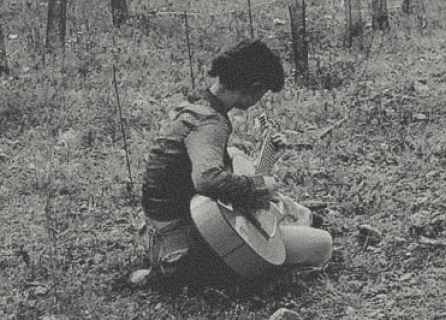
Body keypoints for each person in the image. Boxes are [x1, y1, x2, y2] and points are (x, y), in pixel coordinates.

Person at [139, 39, 333, 284]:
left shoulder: (195, 105)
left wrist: (266, 160)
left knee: (235, 154)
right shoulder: (211, 124)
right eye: (261, 93)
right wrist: (262, 186)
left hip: (160, 236)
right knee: (323, 245)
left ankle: (296, 217)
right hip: (184, 250)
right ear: (254, 87)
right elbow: (207, 179)